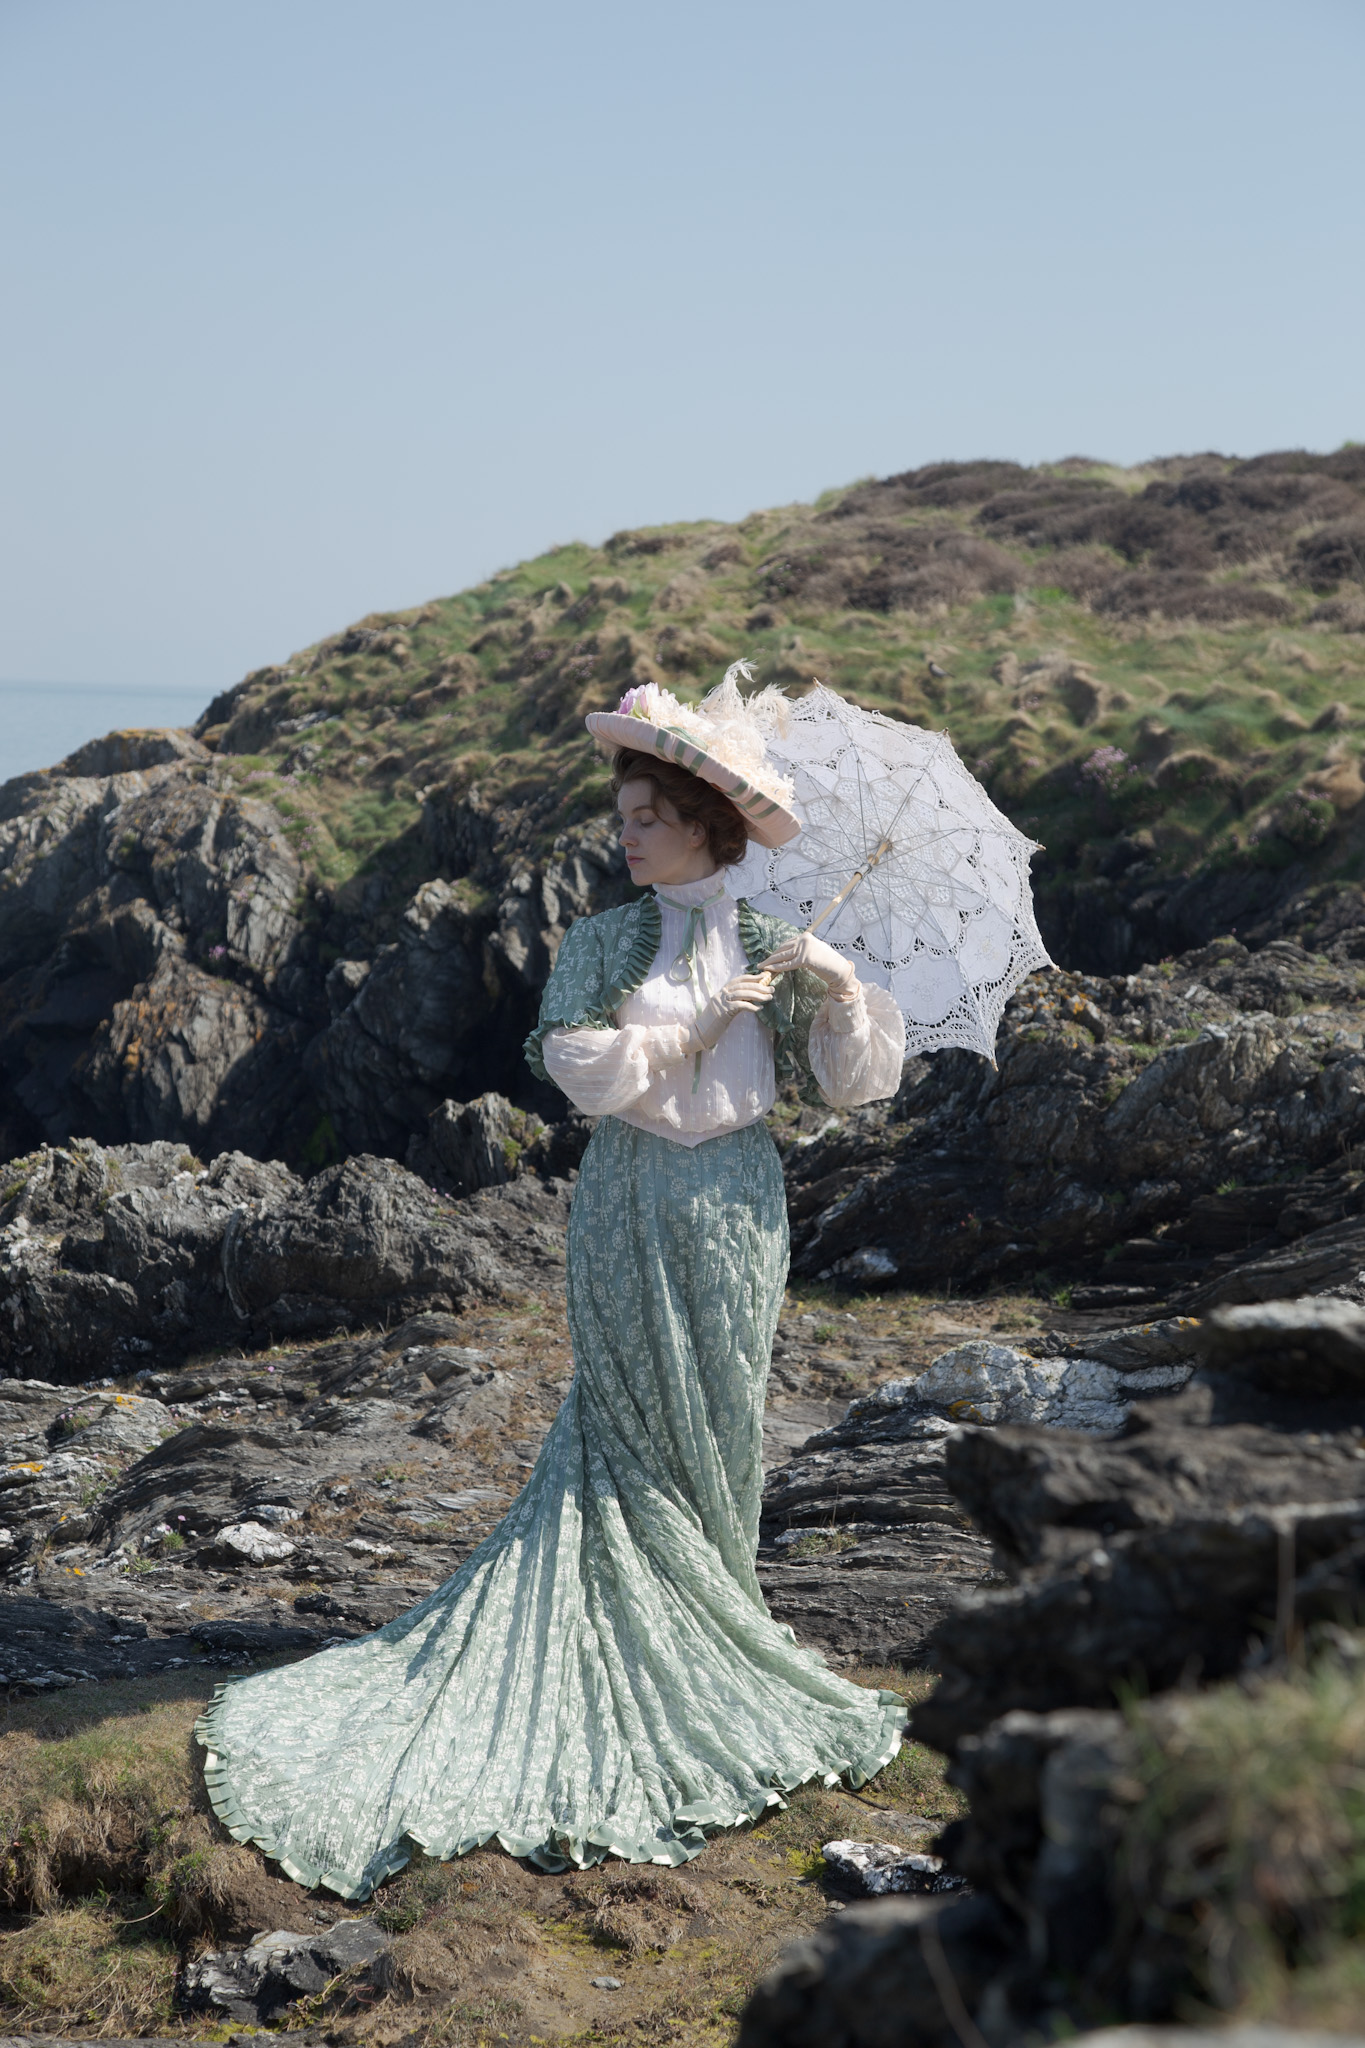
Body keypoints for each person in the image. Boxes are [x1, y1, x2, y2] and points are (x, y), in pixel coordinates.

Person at [196, 674, 907, 1900]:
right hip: (630, 1197)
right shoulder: (604, 938)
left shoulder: (775, 942)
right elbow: (576, 1065)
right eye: (623, 814)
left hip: (740, 1202)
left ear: (706, 823)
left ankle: (719, 1605)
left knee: (723, 1407)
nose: (625, 835)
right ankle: (655, 1615)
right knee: (630, 1411)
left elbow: (848, 1088)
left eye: (645, 816)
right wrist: (686, 1032)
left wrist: (837, 991)